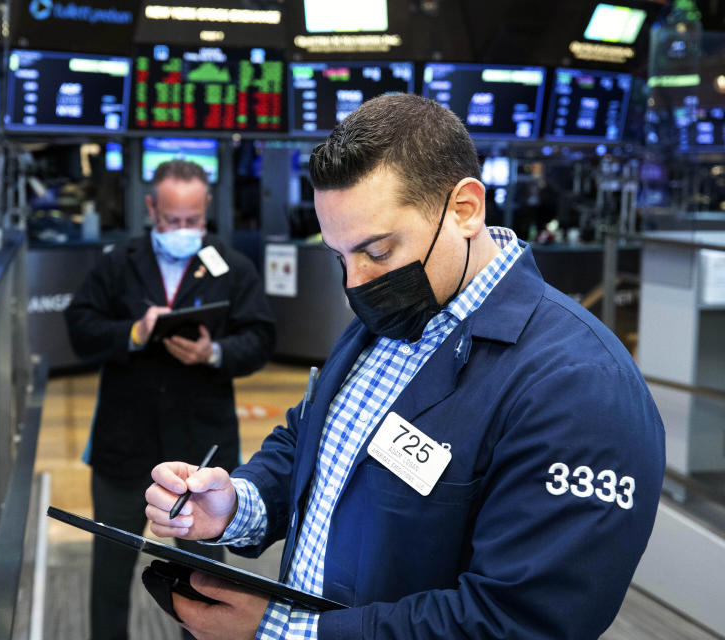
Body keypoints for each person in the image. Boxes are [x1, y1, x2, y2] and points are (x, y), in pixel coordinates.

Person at [143, 94, 665, 640]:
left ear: (464, 209)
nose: (356, 283)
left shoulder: (580, 387)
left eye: (378, 251)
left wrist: (286, 634)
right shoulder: (399, 310)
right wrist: (236, 504)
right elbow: (312, 440)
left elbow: (519, 621)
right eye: (340, 256)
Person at [64, 159, 275, 640]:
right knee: (111, 566)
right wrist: (134, 332)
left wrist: (213, 351)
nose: (184, 230)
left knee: (203, 581)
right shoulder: (118, 264)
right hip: (124, 444)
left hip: (200, 451)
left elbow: (261, 337)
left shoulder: (231, 266)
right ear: (151, 208)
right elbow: (80, 328)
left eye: (193, 221)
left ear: (207, 212)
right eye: (172, 220)